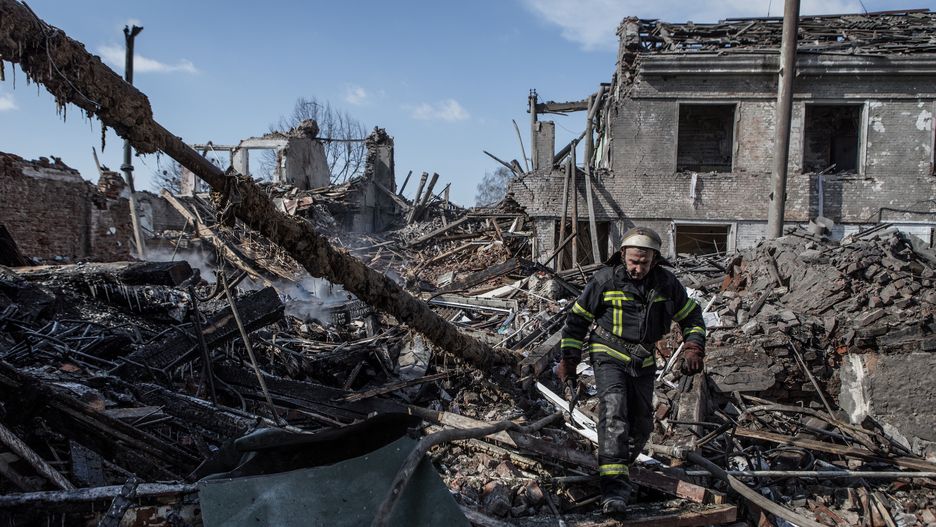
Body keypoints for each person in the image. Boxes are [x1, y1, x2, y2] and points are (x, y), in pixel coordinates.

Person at [555, 226, 706, 514]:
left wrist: (693, 347)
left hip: (644, 361)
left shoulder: (667, 284)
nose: (637, 268)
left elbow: (692, 316)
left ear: (655, 259)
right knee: (613, 413)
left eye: (644, 263)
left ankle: (616, 467)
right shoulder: (604, 281)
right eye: (633, 261)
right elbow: (576, 323)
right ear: (622, 254)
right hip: (607, 352)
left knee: (642, 426)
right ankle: (613, 492)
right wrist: (569, 363)